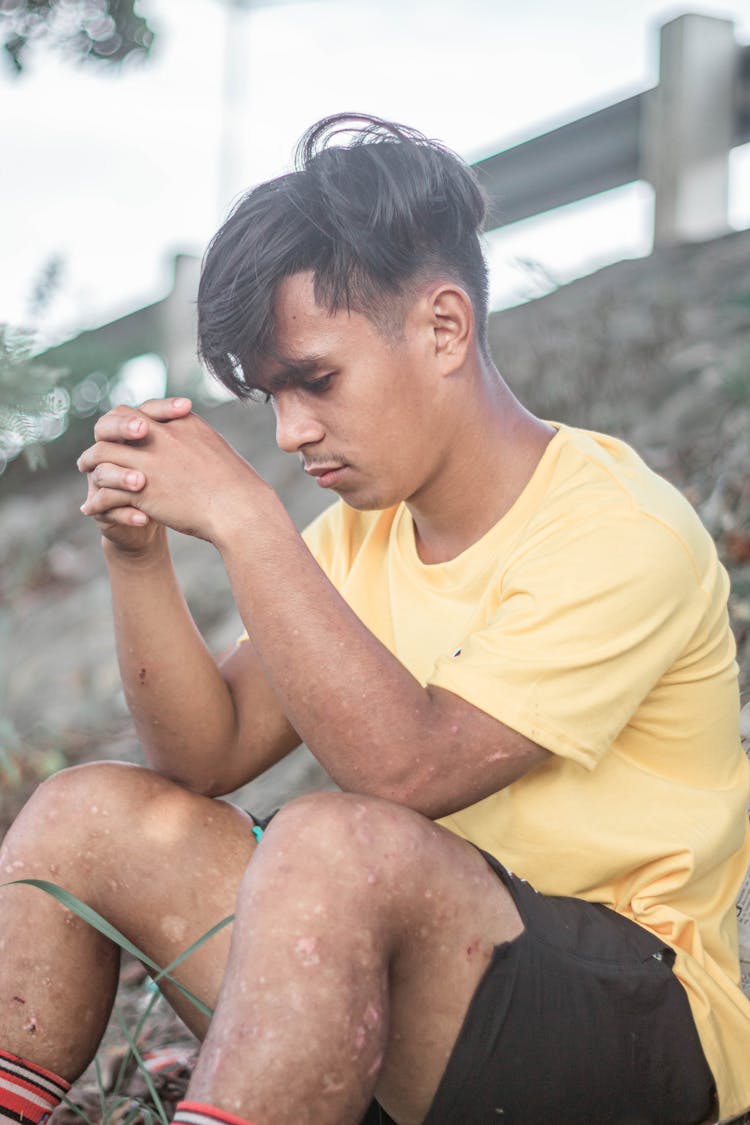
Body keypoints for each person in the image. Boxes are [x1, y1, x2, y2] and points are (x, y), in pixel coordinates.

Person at [0, 113, 748, 1125]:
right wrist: (138, 556)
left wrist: (248, 519)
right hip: (426, 1005)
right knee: (86, 816)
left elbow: (409, 774)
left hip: (636, 1029)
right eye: (271, 395)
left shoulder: (616, 529)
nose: (290, 431)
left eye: (316, 380)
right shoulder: (363, 537)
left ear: (444, 328)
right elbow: (202, 757)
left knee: (334, 842)